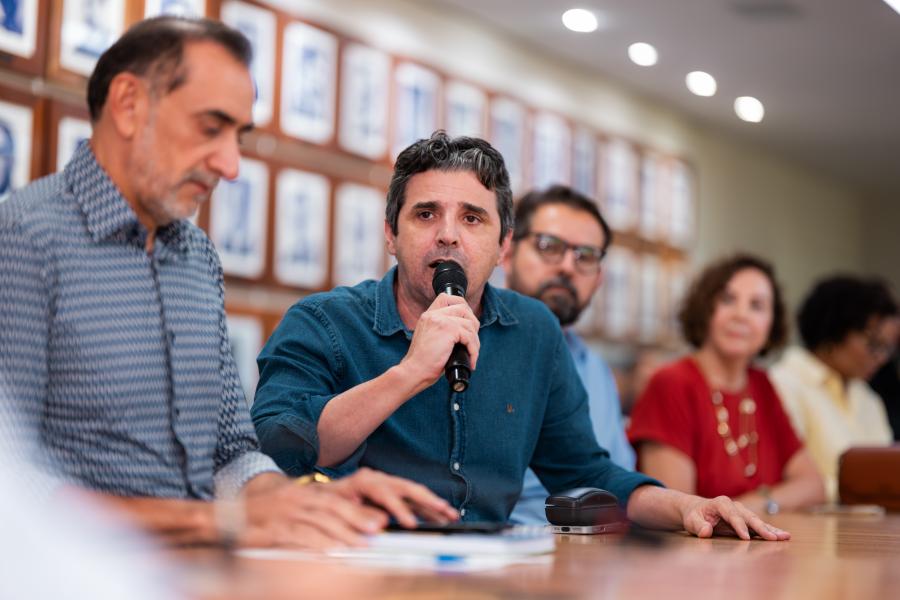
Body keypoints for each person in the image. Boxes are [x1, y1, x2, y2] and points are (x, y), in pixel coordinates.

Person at [0, 16, 456, 551]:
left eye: (237, 137)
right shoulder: (23, 240)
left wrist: (300, 498)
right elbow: (14, 487)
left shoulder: (195, 257)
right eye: (210, 128)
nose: (230, 165)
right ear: (128, 104)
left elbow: (230, 450)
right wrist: (213, 522)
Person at [252, 131, 790, 541]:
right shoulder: (322, 322)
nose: (448, 234)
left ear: (503, 246)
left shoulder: (534, 330)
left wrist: (689, 507)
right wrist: (409, 373)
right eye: (425, 214)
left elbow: (584, 471)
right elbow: (280, 449)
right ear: (391, 233)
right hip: (356, 567)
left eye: (472, 219)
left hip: (492, 572)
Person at [628, 254, 825, 515]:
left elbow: (813, 486)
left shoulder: (761, 385)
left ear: (771, 323)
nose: (741, 315)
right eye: (727, 299)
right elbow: (677, 511)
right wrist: (764, 505)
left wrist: (754, 505)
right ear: (705, 308)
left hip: (762, 538)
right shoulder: (671, 383)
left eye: (756, 305)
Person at [500, 185, 635, 524]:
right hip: (500, 545)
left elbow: (616, 483)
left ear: (599, 278)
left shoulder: (596, 370)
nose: (567, 267)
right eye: (549, 246)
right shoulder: (465, 349)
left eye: (585, 256)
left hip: (595, 546)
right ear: (506, 252)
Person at [770, 275, 899, 500]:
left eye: (888, 349)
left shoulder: (867, 397)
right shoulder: (785, 383)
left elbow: (886, 472)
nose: (881, 358)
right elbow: (788, 480)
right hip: (808, 518)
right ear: (834, 329)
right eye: (873, 344)